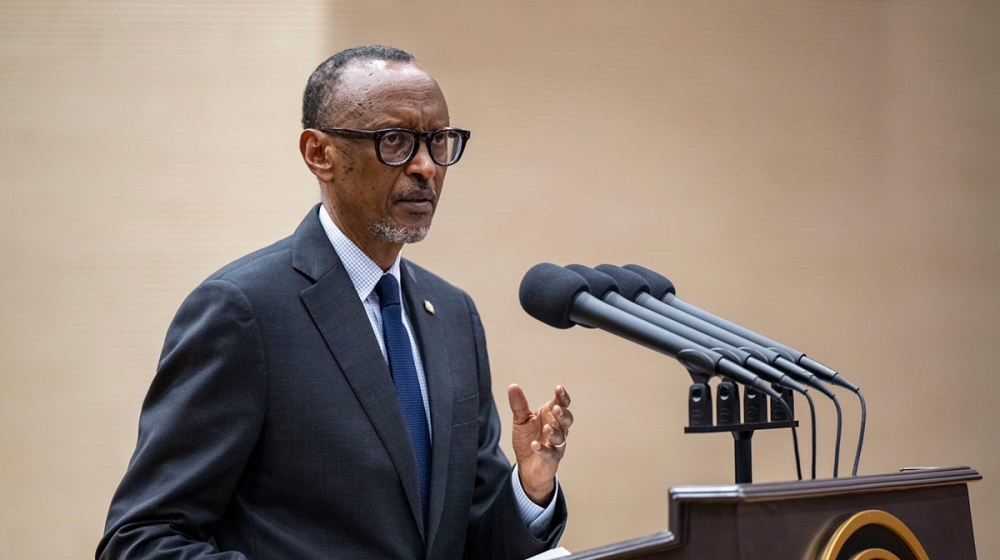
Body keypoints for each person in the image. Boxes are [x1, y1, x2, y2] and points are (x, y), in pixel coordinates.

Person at [97, 45, 572, 560]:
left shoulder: (453, 314)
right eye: (394, 141)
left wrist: (529, 489)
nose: (425, 167)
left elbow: (466, 538)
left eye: (439, 141)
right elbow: (140, 540)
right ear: (318, 154)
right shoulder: (244, 311)